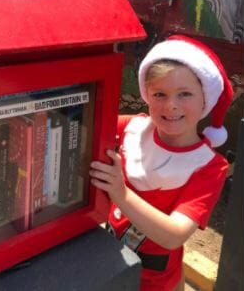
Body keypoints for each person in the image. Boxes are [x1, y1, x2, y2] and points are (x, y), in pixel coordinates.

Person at [89, 34, 233, 291]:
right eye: (159, 94)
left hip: (156, 284)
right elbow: (85, 121)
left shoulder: (209, 166)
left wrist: (120, 193)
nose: (171, 105)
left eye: (185, 94)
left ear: (205, 100)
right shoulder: (132, 127)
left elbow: (173, 235)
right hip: (110, 265)